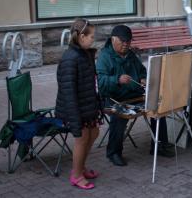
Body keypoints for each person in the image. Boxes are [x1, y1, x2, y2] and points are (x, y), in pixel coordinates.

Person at [96, 25, 174, 167]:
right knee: (119, 115)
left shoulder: (131, 55)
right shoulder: (104, 57)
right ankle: (114, 153)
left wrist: (143, 78)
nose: (126, 44)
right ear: (113, 39)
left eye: (128, 41)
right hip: (113, 98)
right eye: (123, 41)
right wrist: (117, 80)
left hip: (134, 95)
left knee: (158, 106)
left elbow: (142, 71)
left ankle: (159, 145)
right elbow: (101, 83)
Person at [55, 18, 101, 190]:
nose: (93, 39)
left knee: (94, 133)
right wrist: (74, 121)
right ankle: (76, 175)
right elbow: (68, 94)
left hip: (87, 106)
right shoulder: (70, 59)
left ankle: (81, 167)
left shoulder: (85, 54)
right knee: (81, 139)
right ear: (81, 36)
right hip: (74, 109)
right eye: (91, 36)